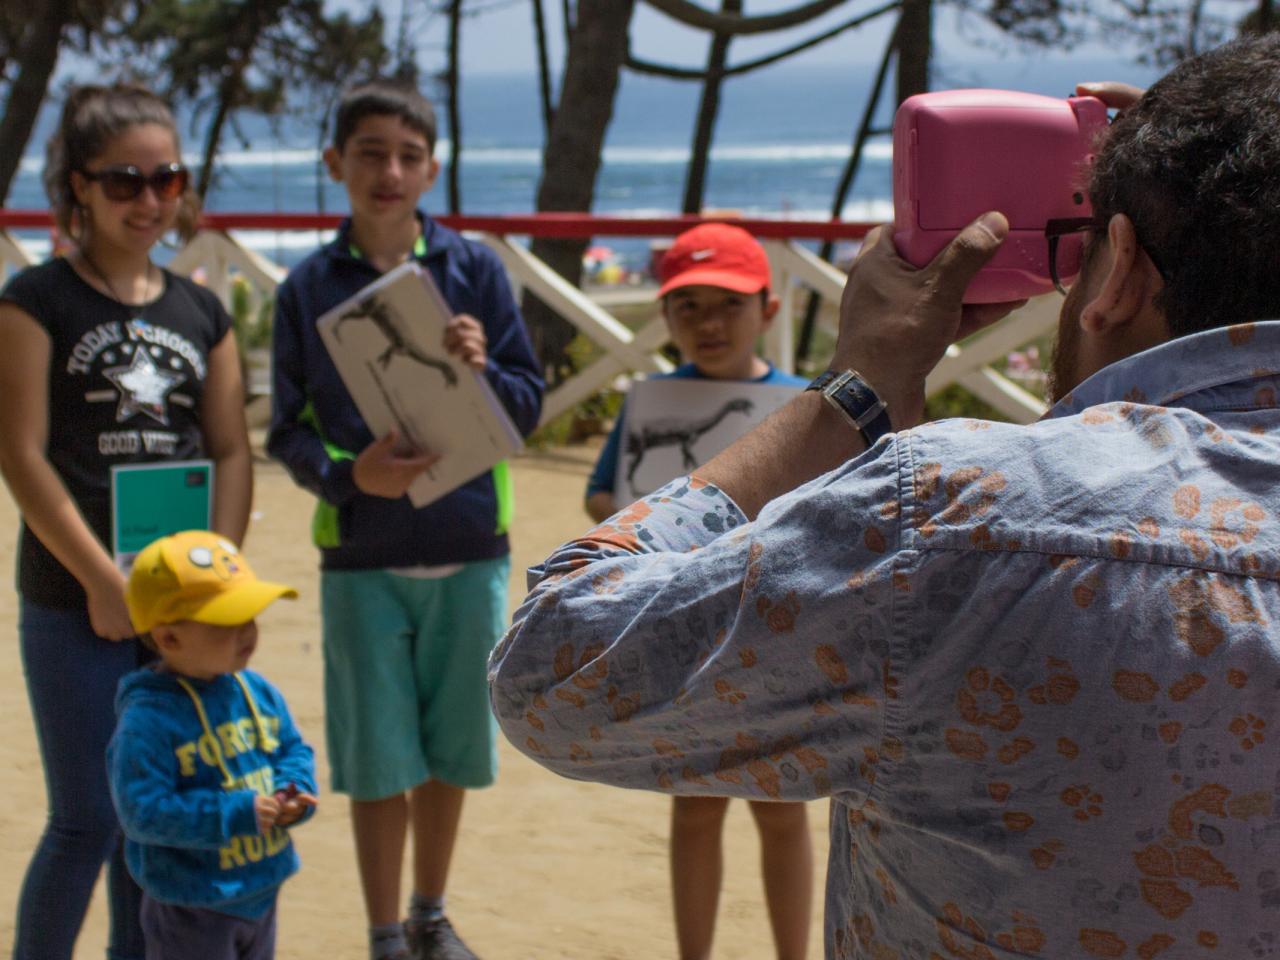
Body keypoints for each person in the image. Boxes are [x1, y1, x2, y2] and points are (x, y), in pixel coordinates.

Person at [491, 37, 1280, 958]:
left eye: (1081, 263)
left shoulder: (954, 523)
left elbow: (553, 671)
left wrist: (854, 390)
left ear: (1122, 274)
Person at [266, 79, 542, 960]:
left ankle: (430, 914)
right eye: (371, 152)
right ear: (333, 164)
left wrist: (482, 368)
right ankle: (384, 931)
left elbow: (526, 405)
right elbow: (283, 431)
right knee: (378, 759)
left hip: (469, 548)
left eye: (409, 156)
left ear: (432, 170)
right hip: (362, 556)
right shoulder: (305, 287)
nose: (390, 171)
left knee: (455, 752)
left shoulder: (477, 271)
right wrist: (354, 478)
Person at [0, 84, 252, 960]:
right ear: (77, 188)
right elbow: (22, 454)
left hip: (179, 604)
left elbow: (229, 449)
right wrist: (102, 583)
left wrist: (215, 582)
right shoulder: (35, 300)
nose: (149, 199)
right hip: (76, 603)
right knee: (87, 819)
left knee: (155, 820)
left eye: (167, 178)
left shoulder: (202, 312)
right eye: (124, 181)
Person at [585, 222, 813, 960]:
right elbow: (603, 499)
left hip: (776, 630)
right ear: (667, 318)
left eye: (728, 304)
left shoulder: (806, 404)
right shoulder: (648, 400)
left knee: (783, 812)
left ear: (767, 311)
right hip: (683, 630)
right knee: (695, 804)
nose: (709, 323)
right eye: (689, 308)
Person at [107, 530, 318, 960]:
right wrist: (233, 812)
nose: (248, 632)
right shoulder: (148, 720)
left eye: (251, 616)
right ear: (168, 638)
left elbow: (293, 750)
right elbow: (141, 813)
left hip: (261, 888)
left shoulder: (255, 690)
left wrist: (292, 790)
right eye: (227, 622)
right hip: (192, 905)